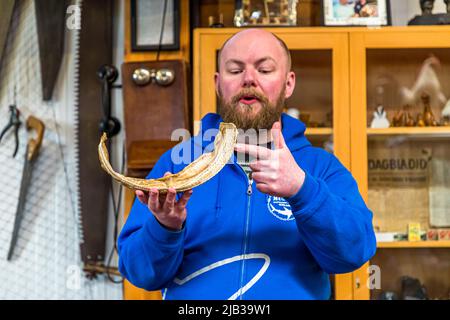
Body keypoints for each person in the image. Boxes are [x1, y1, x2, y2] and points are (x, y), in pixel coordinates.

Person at [117, 29, 376, 300]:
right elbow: (140, 273)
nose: (249, 79)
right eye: (235, 69)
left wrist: (303, 189)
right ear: (218, 83)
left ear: (288, 84)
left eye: (264, 70)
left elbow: (353, 253)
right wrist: (165, 227)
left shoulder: (320, 167)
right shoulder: (177, 164)